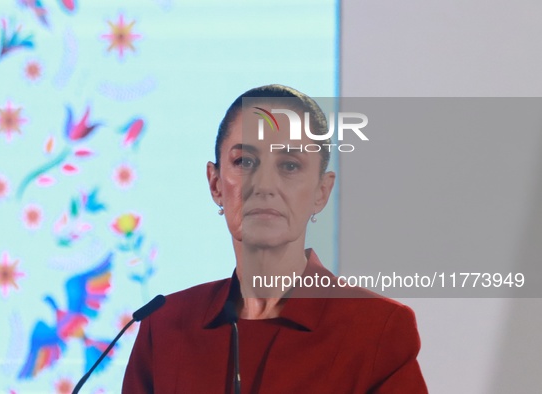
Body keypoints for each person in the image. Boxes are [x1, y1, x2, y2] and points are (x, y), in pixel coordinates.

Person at [122, 84, 428, 393]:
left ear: (321, 192)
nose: (264, 185)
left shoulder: (376, 328)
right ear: (215, 184)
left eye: (290, 165)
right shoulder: (163, 326)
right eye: (244, 162)